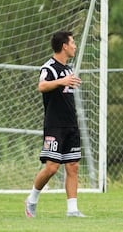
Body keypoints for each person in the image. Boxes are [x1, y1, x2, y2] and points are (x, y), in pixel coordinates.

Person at [25, 31, 85, 218]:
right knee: (52, 167)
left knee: (72, 166)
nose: (75, 46)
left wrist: (68, 81)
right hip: (54, 125)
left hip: (71, 124)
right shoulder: (49, 67)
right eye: (72, 42)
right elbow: (41, 86)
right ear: (64, 46)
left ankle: (72, 210)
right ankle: (31, 200)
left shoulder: (68, 68)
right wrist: (62, 82)